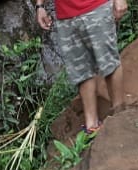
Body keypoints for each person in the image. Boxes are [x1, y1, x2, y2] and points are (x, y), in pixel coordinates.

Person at [35, 0, 128, 133]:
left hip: (97, 7)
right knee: (80, 69)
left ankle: (120, 114)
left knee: (108, 62)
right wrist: (40, 6)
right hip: (65, 17)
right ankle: (92, 125)